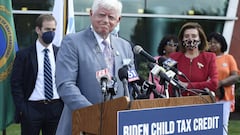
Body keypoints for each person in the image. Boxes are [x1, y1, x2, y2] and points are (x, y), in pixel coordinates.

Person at [55, 0, 135, 134]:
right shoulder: (72, 42)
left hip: (116, 125)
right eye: (101, 15)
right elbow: (65, 85)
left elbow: (131, 84)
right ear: (91, 14)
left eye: (111, 17)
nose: (105, 20)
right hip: (81, 124)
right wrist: (94, 114)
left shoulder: (125, 46)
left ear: (118, 20)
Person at [10, 14, 63, 135]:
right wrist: (23, 108)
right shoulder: (24, 55)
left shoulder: (60, 53)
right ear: (38, 30)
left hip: (55, 108)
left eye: (53, 30)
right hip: (32, 108)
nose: (51, 33)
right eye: (47, 29)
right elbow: (16, 83)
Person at [169, 22, 218, 96]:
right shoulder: (173, 57)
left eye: (194, 36)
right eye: (186, 36)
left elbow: (214, 83)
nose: (190, 39)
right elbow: (168, 83)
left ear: (200, 39)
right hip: (178, 102)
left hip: (201, 102)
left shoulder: (209, 57)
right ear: (182, 39)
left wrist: (187, 85)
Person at [208, 32, 239, 135]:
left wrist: (220, 83)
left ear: (222, 44)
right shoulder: (206, 58)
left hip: (224, 96)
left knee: (222, 124)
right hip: (207, 96)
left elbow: (235, 76)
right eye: (210, 42)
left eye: (215, 42)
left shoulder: (228, 58)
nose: (212, 45)